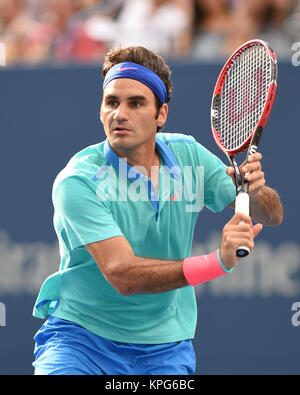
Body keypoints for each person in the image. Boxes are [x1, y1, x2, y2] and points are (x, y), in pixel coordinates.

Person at [32, 45, 283, 375]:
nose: (120, 113)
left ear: (160, 114)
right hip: (81, 342)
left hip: (165, 349)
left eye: (136, 103)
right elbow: (123, 274)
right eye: (112, 102)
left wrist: (255, 191)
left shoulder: (188, 155)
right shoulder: (78, 180)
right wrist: (217, 262)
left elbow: (272, 216)